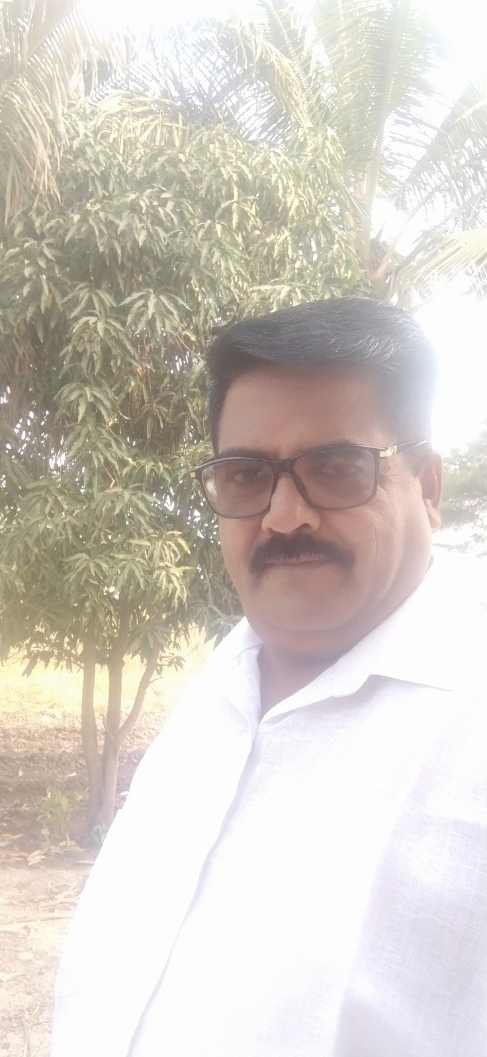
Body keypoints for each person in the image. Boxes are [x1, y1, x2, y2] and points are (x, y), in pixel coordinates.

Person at [51, 297, 486, 1057]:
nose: (284, 517)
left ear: (426, 484)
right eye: (246, 475)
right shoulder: (225, 674)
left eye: (337, 468)